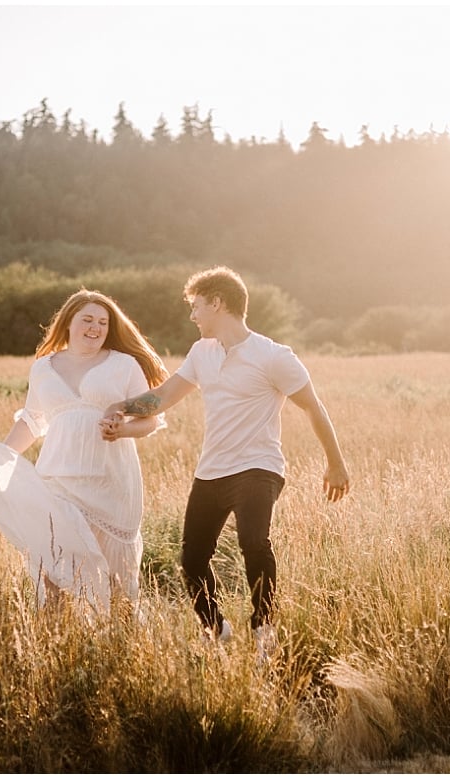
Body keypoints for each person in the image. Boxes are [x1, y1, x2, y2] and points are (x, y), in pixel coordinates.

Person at [101, 266, 349, 661]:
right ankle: (215, 628)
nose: (192, 316)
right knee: (192, 558)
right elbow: (163, 398)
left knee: (254, 542)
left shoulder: (273, 356)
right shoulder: (202, 353)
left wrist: (336, 464)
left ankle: (264, 629)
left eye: (197, 306)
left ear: (218, 303)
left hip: (258, 466)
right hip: (211, 470)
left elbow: (314, 409)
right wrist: (122, 407)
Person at [0, 289, 167, 615]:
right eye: (87, 320)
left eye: (103, 322)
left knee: (117, 583)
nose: (95, 328)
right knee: (53, 574)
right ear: (68, 323)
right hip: (56, 481)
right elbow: (31, 421)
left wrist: (122, 428)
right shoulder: (43, 368)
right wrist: (1, 459)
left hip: (113, 484)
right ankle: (56, 651)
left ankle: (120, 653)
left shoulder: (124, 365)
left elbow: (151, 419)